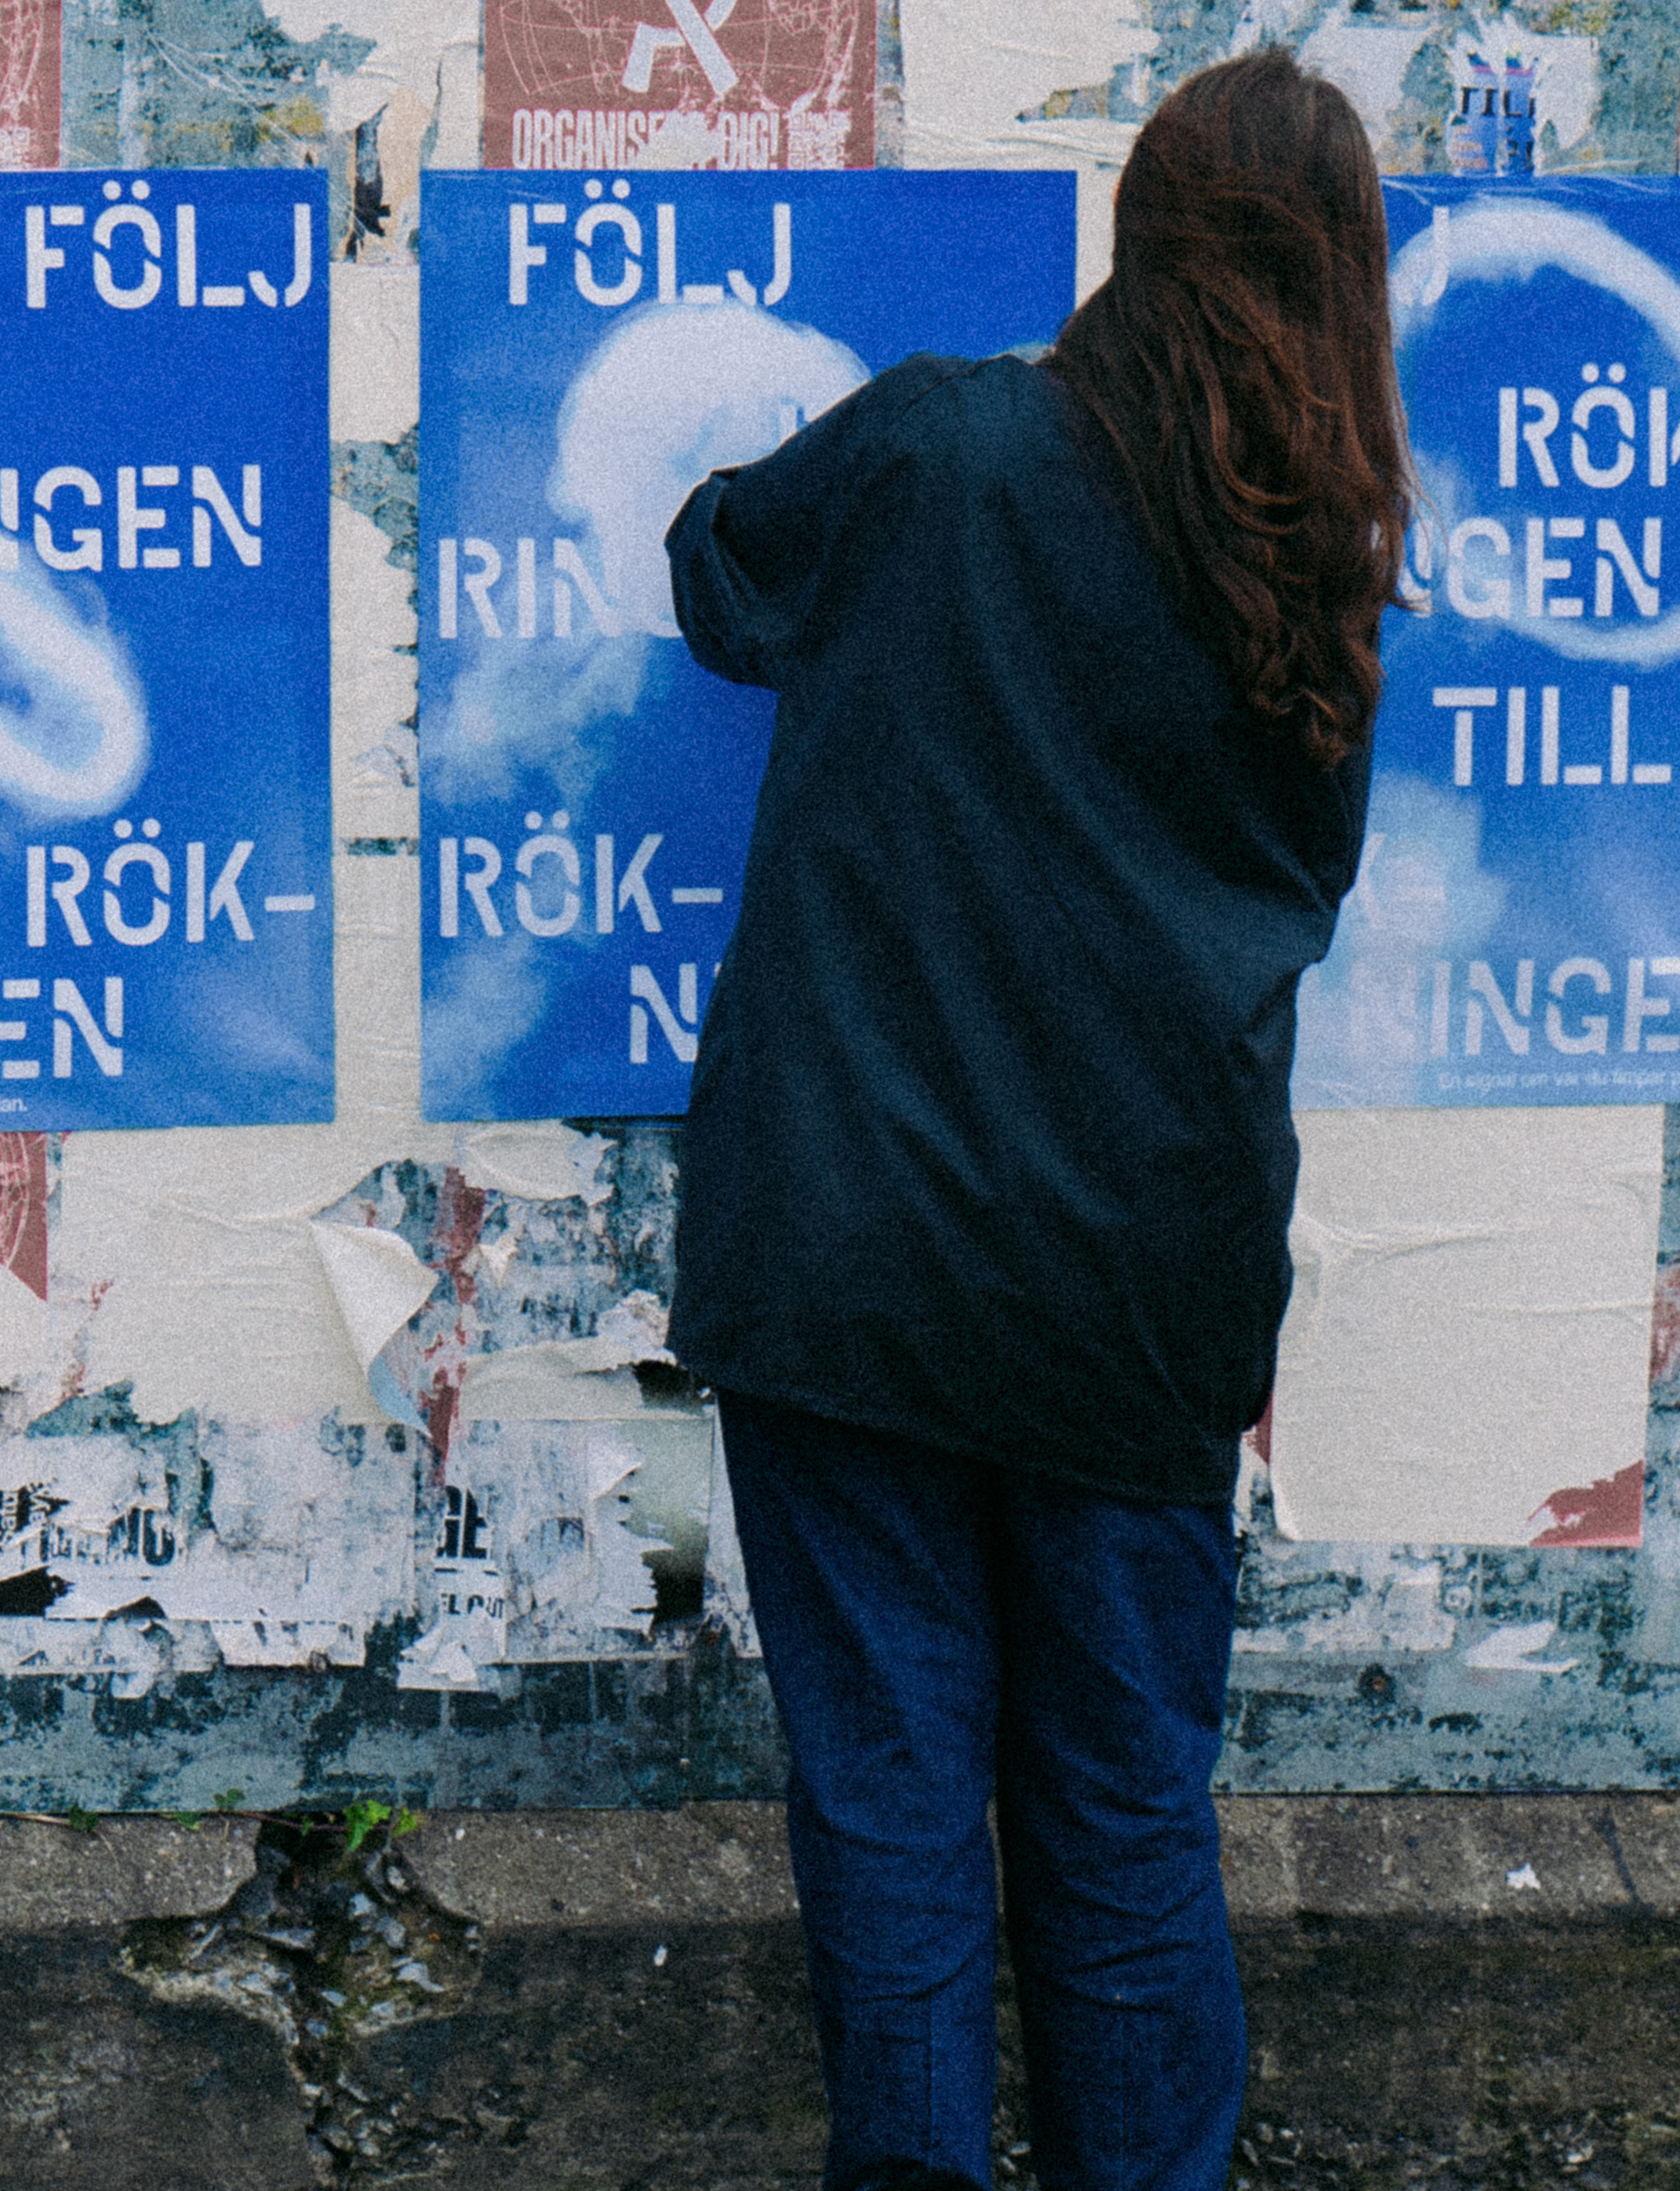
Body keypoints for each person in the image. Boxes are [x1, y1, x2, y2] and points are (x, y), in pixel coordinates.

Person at [660, 48, 1409, 2191]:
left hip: (857, 1255)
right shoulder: (1329, 576)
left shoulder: (941, 443)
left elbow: (722, 574)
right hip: (1142, 1286)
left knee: (897, 1813)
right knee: (1125, 1817)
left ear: (1136, 239)